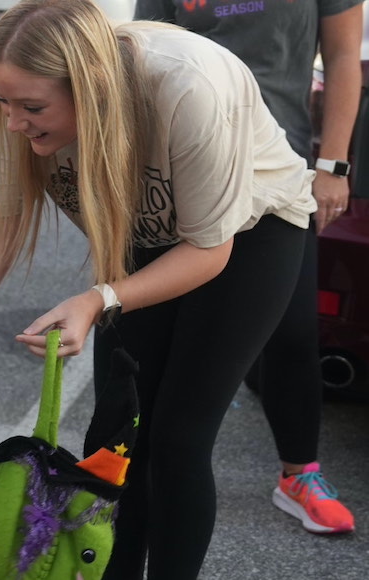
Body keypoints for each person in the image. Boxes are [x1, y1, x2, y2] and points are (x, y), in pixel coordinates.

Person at [0, 0, 319, 578]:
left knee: (179, 436)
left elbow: (208, 249)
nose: (13, 123)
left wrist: (98, 298)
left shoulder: (187, 86)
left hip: (249, 234)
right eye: (3, 102)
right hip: (146, 233)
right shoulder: (20, 106)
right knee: (116, 439)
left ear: (92, 90)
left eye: (32, 107)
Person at [136, 0, 363, 536]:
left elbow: (344, 55)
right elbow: (147, 52)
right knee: (163, 338)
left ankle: (299, 474)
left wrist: (333, 164)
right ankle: (149, 470)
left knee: (293, 333)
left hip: (277, 171)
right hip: (186, 159)